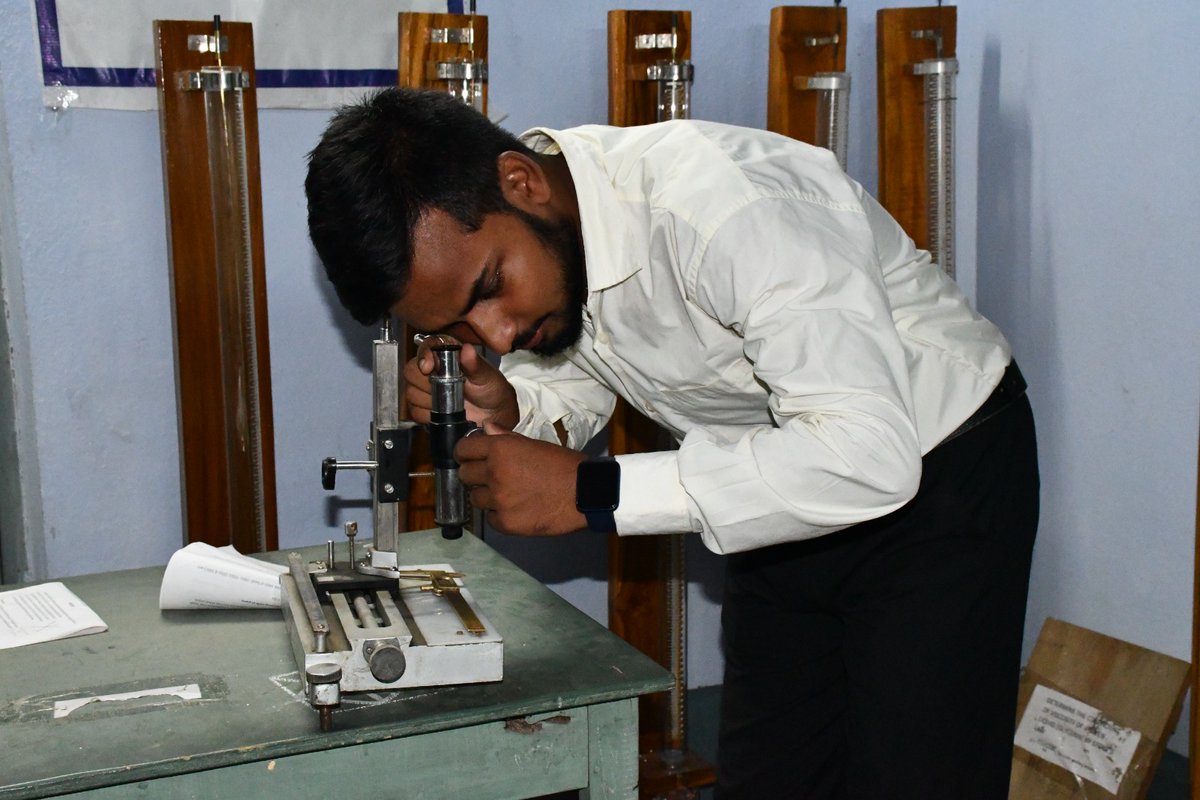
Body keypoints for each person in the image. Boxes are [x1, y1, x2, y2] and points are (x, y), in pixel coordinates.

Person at [305, 87, 1039, 799]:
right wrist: (518, 404)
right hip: (768, 480)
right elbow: (594, 372)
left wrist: (593, 492)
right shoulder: (551, 233)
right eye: (460, 327)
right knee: (771, 777)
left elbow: (868, 457)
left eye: (489, 290)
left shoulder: (725, 209)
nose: (494, 334)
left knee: (916, 779)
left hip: (936, 470)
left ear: (521, 181)